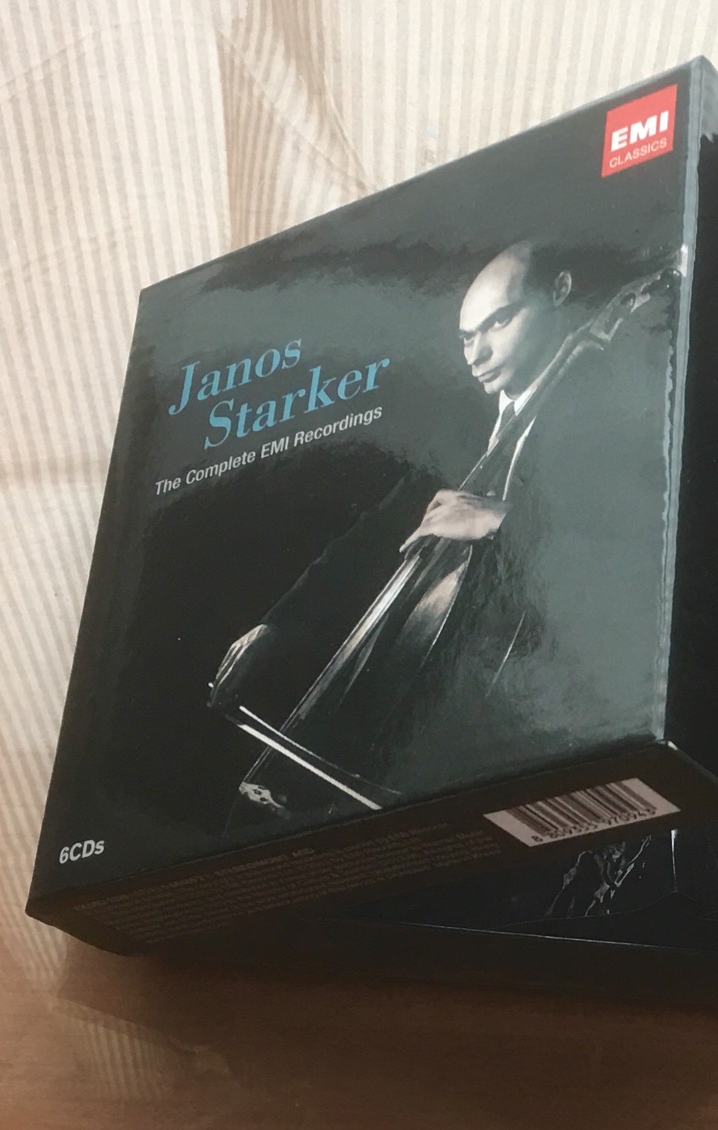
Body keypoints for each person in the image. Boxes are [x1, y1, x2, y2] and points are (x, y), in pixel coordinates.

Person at [210, 241, 677, 821]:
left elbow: (630, 551)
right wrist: (278, 625)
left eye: (499, 323)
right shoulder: (459, 428)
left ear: (559, 292)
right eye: (465, 338)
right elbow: (373, 535)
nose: (477, 354)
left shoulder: (610, 406)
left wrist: (500, 521)